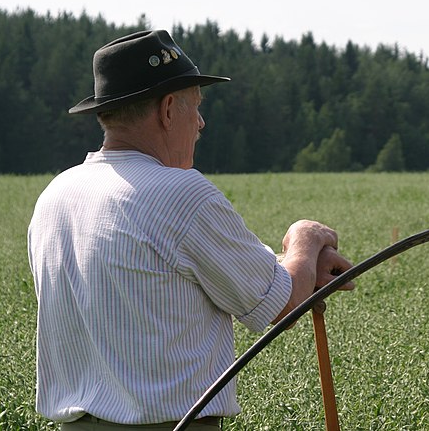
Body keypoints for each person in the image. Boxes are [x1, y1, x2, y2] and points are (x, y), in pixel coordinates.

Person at [27, 29, 355, 430]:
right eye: (195, 106)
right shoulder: (180, 193)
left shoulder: (55, 195)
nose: (200, 123)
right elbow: (282, 303)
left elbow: (168, 274)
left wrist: (292, 267)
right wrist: (305, 240)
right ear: (167, 110)